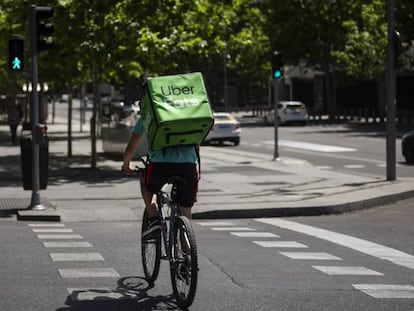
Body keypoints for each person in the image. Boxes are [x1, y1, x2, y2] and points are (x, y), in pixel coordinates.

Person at [122, 115, 199, 237]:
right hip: (188, 166)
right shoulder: (188, 111)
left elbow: (133, 142)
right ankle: (188, 251)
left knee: (145, 182)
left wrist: (126, 164)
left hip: (160, 165)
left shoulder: (150, 112)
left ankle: (154, 219)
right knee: (186, 214)